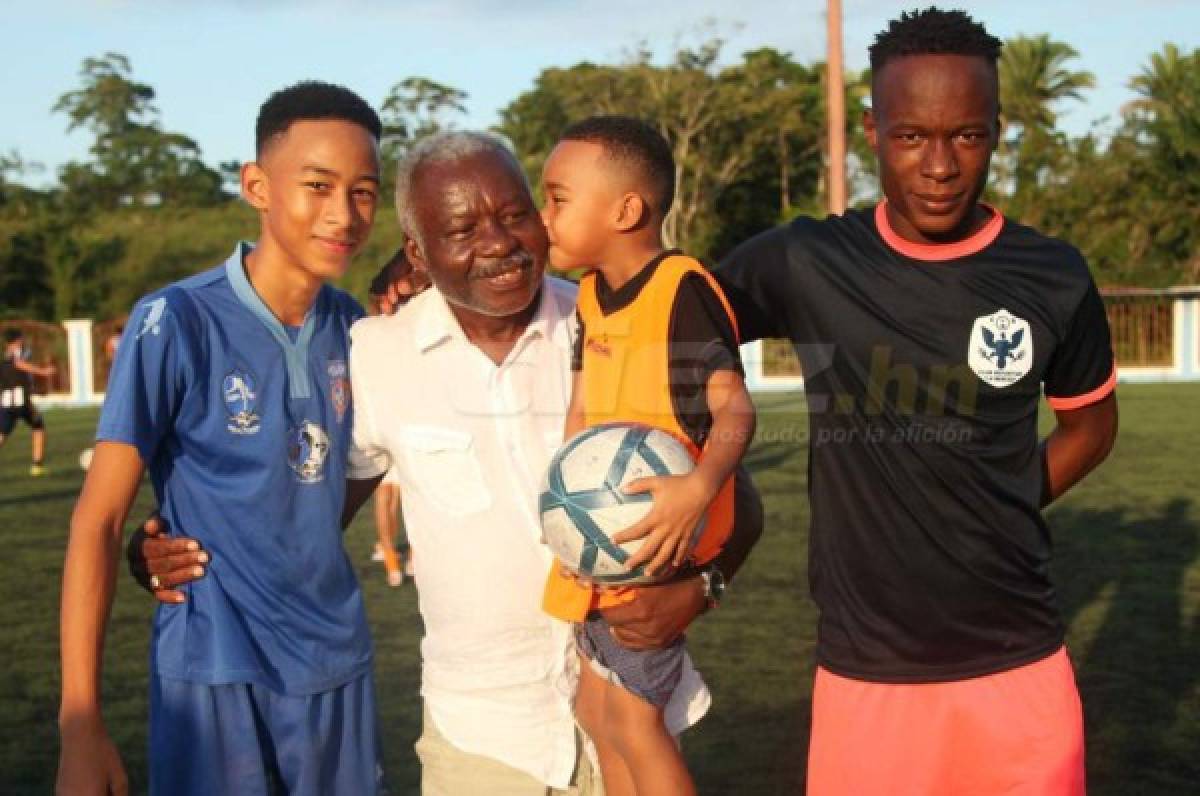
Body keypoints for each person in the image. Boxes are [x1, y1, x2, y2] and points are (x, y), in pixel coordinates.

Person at [134, 130, 764, 794]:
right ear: (418, 252)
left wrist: (702, 587)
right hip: (481, 745)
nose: (498, 242)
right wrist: (172, 545)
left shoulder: (604, 322)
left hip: (625, 715)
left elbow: (736, 498)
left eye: (517, 213)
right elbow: (302, 507)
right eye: (462, 229)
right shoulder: (377, 354)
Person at [713, 8, 1118, 794]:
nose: (939, 165)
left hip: (1020, 664)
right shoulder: (808, 260)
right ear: (872, 129)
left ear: (999, 129)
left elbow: (1091, 427)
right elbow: (676, 310)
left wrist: (1006, 495)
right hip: (869, 678)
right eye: (911, 137)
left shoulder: (1053, 275)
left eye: (966, 135)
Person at [58, 81, 388, 795]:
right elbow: (99, 518)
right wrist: (80, 723)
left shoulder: (357, 329)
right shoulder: (175, 320)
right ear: (257, 186)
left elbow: (342, 479)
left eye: (364, 192)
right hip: (214, 664)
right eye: (317, 186)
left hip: (333, 660)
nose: (343, 214)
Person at [538, 116, 756, 796]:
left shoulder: (681, 288)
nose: (543, 216)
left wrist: (698, 488)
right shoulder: (593, 297)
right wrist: (562, 496)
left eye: (557, 198)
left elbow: (735, 409)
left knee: (636, 722)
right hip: (600, 542)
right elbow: (582, 408)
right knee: (598, 713)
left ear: (626, 209)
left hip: (656, 546)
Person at [367, 250, 412, 587]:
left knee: (409, 493)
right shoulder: (374, 336)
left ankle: (412, 555)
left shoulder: (420, 326)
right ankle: (391, 557)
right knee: (385, 495)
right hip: (384, 419)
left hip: (413, 420)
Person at [1, 327, 56, 476]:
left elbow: (17, 373)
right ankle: (36, 466)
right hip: (19, 400)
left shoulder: (7, 353)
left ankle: (37, 465)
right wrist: (44, 372)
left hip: (7, 400)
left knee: (8, 431)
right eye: (21, 338)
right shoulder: (16, 352)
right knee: (37, 426)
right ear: (17, 339)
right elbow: (19, 364)